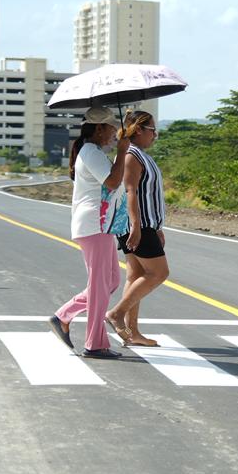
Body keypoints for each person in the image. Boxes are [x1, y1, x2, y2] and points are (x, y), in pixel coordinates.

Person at [49, 107, 131, 359]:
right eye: (110, 128)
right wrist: (121, 151)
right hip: (93, 224)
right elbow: (112, 182)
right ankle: (95, 343)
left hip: (101, 224)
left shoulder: (92, 151)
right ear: (98, 129)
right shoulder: (90, 152)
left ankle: (63, 315)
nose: (112, 133)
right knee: (99, 285)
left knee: (111, 281)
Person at [104, 110, 169, 347]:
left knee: (136, 276)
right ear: (139, 130)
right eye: (152, 130)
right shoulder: (132, 155)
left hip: (146, 224)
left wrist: (157, 226)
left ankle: (132, 333)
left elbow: (148, 194)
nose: (155, 135)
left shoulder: (140, 154)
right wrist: (136, 226)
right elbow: (130, 191)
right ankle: (116, 313)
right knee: (158, 273)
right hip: (137, 225)